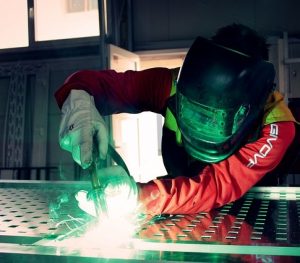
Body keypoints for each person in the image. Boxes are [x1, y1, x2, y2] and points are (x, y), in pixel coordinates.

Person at [55, 24, 296, 216]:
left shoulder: (276, 125)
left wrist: (140, 197)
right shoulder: (173, 85)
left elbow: (217, 185)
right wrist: (79, 105)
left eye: (218, 116)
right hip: (179, 200)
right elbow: (100, 84)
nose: (207, 123)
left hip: (248, 213)